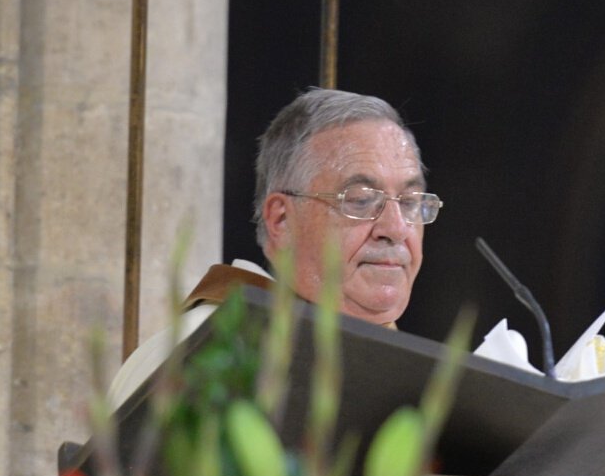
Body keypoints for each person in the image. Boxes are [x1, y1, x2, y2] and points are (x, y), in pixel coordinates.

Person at [104, 87, 440, 405]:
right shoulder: (199, 357)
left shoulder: (418, 381)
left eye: (410, 202)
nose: (396, 229)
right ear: (281, 219)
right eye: (361, 200)